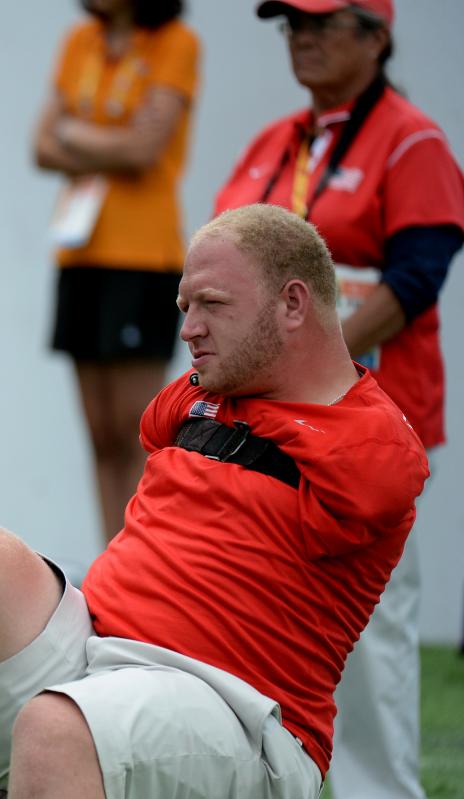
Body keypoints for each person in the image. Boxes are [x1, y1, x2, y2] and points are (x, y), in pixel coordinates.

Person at [0, 204, 428, 797]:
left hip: (242, 719)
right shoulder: (202, 395)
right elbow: (161, 429)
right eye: (183, 307)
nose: (189, 329)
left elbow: (377, 489)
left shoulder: (372, 436)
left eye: (212, 305)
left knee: (58, 727)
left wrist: (255, 419)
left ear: (292, 304)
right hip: (97, 661)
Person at [213, 3, 464, 796]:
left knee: (370, 625)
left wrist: (319, 363)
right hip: (265, 421)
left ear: (376, 36)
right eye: (291, 25)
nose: (303, 38)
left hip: (368, 423)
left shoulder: (411, 138)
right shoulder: (273, 142)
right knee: (248, 612)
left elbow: (417, 278)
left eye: (322, 23)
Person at [33, 0, 199, 544]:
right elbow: (40, 145)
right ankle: (112, 563)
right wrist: (109, 140)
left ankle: (142, 568)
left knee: (137, 432)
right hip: (80, 255)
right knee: (101, 434)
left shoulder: (175, 42)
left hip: (142, 258)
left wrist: (75, 135)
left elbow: (144, 151)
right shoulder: (79, 40)